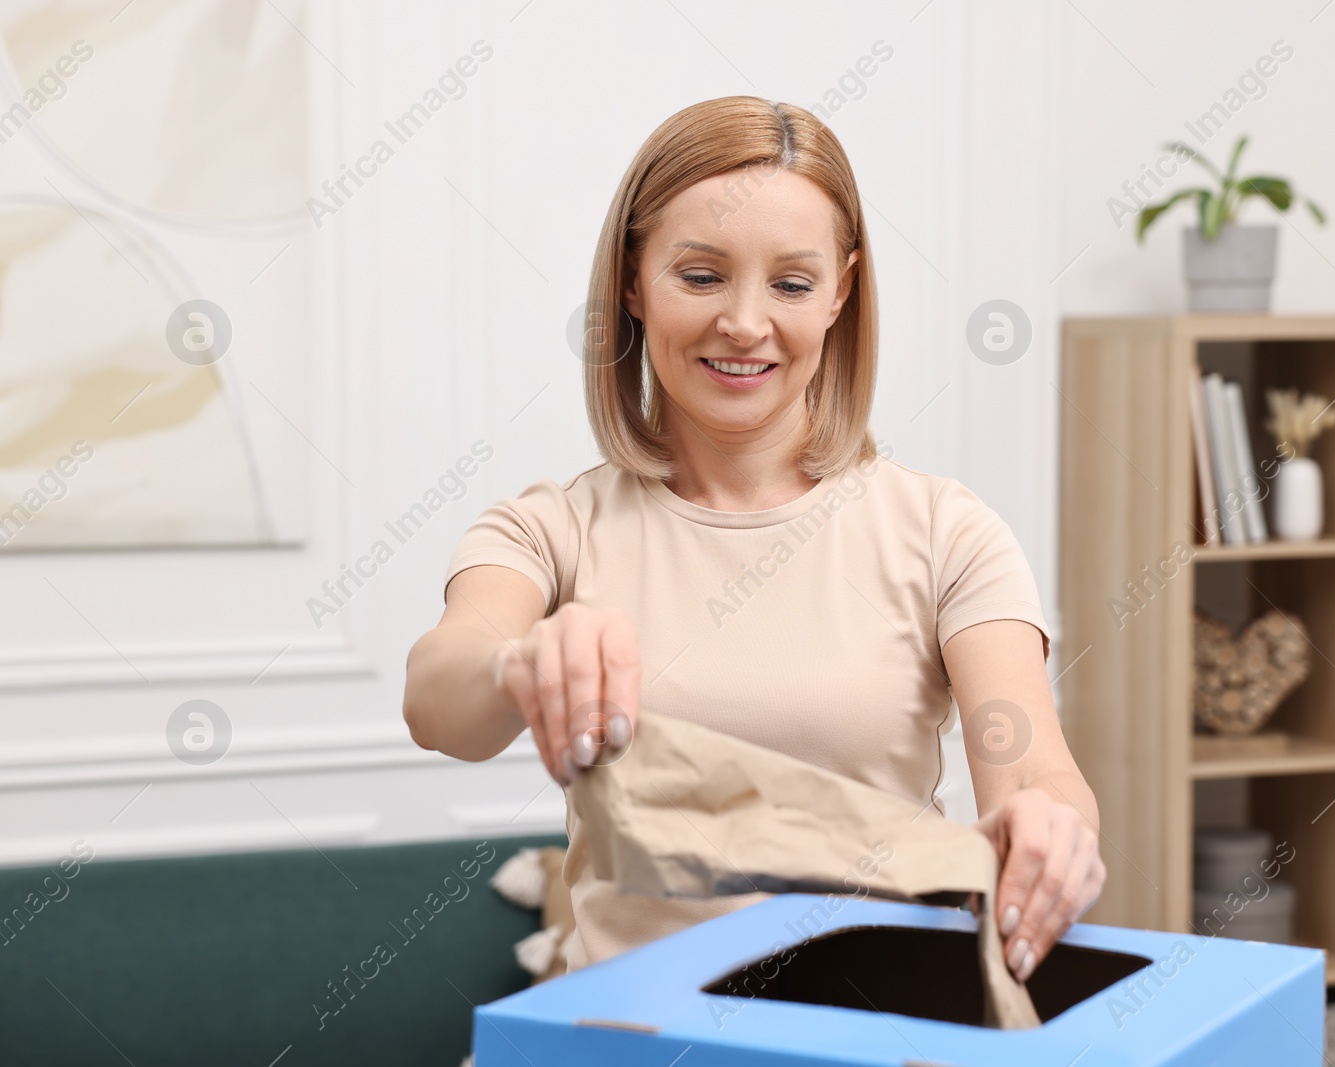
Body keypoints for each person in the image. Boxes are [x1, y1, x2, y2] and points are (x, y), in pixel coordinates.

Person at [403, 96, 1104, 985]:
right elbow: (437, 700)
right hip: (629, 1039)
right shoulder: (552, 529)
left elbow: (1032, 763)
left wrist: (1047, 824)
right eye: (700, 276)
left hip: (868, 1033)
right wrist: (518, 665)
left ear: (841, 291)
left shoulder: (945, 532)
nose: (743, 322)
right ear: (631, 280)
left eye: (792, 283)